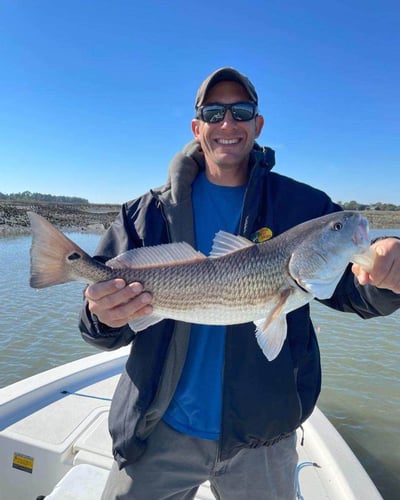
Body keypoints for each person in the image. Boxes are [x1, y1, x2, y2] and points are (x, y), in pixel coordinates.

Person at [79, 67, 400, 499]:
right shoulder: (145, 213)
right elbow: (97, 323)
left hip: (262, 437)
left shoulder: (304, 207)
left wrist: (385, 274)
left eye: (241, 111)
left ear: (258, 124)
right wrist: (102, 314)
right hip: (156, 430)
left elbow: (353, 289)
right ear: (198, 127)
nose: (227, 123)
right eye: (214, 113)